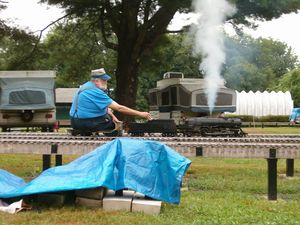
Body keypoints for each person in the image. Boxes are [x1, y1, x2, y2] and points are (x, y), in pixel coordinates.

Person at [69, 68, 152, 134]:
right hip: (86, 122)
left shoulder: (85, 86)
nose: (106, 82)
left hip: (75, 121)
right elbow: (119, 108)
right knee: (114, 126)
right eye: (104, 80)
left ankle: (85, 131)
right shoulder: (95, 91)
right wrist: (140, 114)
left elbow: (105, 108)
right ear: (96, 81)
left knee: (109, 111)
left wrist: (113, 116)